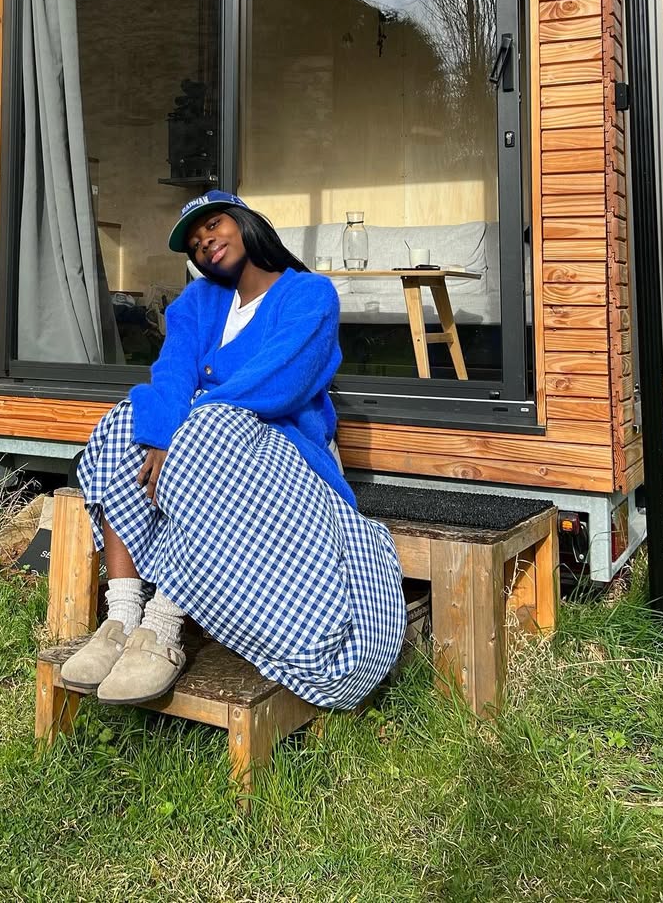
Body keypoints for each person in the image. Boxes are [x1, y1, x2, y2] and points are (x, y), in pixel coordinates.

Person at [59, 190, 407, 708]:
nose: (206, 244)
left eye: (214, 226)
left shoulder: (309, 295)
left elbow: (279, 381)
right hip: (207, 438)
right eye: (195, 244)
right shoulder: (196, 304)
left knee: (212, 426)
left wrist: (189, 424)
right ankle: (122, 617)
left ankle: (163, 629)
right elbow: (172, 372)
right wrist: (160, 430)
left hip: (287, 453)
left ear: (247, 223)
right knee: (129, 422)